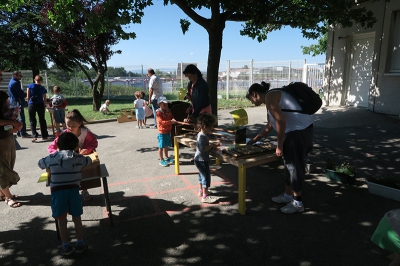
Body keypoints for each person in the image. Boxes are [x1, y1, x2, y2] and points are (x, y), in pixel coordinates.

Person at [246, 81, 314, 214]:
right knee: (289, 165)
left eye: (251, 99)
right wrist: (255, 139)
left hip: (298, 133)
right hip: (296, 131)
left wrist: (279, 145)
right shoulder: (269, 100)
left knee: (294, 167)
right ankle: (288, 195)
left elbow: (281, 121)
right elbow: (270, 125)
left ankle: (298, 203)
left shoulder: (270, 97)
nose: (252, 103)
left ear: (254, 94)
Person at [38, 132, 92, 255]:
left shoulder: (51, 158)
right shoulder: (79, 158)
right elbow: (89, 161)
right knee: (77, 219)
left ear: (58, 145)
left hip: (57, 193)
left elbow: (40, 163)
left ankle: (66, 246)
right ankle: (80, 243)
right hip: (73, 191)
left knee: (62, 222)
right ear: (75, 146)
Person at [48, 109, 98, 201]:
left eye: (73, 125)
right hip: (68, 160)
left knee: (83, 175)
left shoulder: (85, 132)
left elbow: (94, 142)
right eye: (68, 125)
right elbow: (51, 147)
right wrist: (58, 154)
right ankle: (71, 193)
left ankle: (85, 190)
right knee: (70, 177)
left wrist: (87, 150)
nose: (70, 128)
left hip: (81, 158)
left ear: (79, 123)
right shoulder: (64, 134)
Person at [0, 73, 23, 208]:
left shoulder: (1, 94)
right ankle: (8, 197)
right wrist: (10, 122)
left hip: (7, 136)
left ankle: (2, 193)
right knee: (3, 169)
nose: (1, 79)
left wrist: (13, 125)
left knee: (8, 164)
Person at [194, 113, 220, 204]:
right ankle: (205, 196)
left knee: (201, 176)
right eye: (210, 127)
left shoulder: (201, 134)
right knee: (205, 177)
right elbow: (203, 148)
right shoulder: (202, 136)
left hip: (199, 159)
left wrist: (211, 145)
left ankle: (201, 191)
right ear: (205, 126)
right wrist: (211, 146)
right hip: (202, 160)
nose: (212, 129)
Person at [27, 75, 49, 142]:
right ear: (41, 81)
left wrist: (28, 103)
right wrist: (45, 104)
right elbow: (44, 99)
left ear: (34, 80)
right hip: (40, 105)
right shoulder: (43, 88)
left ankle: (34, 136)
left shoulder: (30, 86)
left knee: (32, 120)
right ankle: (44, 135)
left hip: (32, 104)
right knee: (42, 120)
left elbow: (28, 97)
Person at [8, 70, 30, 138]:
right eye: (20, 75)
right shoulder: (15, 83)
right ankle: (23, 133)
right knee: (21, 117)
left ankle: (19, 132)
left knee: (16, 117)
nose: (21, 77)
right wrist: (27, 94)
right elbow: (20, 93)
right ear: (15, 75)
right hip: (17, 101)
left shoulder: (12, 82)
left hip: (13, 101)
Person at [156, 96, 176, 167]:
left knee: (166, 146)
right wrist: (170, 122)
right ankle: (161, 160)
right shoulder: (158, 113)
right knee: (161, 146)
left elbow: (171, 117)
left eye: (166, 104)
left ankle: (166, 157)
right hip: (162, 132)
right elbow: (161, 122)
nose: (166, 106)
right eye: (164, 104)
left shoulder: (168, 110)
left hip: (168, 131)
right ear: (159, 104)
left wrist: (173, 119)